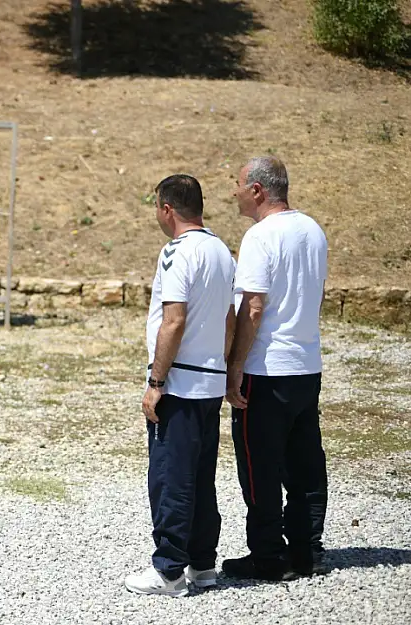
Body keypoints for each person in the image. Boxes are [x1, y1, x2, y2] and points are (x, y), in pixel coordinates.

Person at [125, 175, 235, 597]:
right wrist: (221, 368)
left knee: (171, 478)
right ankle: (203, 565)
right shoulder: (222, 251)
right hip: (209, 383)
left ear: (166, 208)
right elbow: (229, 320)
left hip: (181, 385)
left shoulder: (176, 253)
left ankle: (169, 569)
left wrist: (157, 380)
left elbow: (173, 319)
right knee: (201, 478)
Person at [224, 156, 329, 581]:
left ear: (256, 190)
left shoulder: (260, 236)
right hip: (307, 365)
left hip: (267, 369)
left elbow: (253, 306)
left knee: (259, 466)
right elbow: (318, 295)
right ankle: (306, 550)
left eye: (237, 185)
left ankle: (267, 555)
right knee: (304, 464)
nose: (233, 192)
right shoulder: (313, 230)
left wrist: (234, 367)